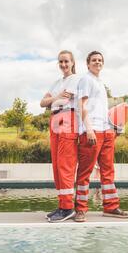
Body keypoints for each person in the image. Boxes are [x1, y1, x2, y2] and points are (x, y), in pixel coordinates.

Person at [74, 51, 128, 222]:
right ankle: (80, 210)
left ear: (102, 64)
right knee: (85, 172)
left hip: (106, 132)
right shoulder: (86, 79)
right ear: (88, 64)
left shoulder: (100, 83)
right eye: (94, 60)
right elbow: (81, 105)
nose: (97, 62)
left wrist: (114, 129)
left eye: (100, 60)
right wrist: (88, 129)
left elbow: (102, 111)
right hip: (92, 132)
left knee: (108, 171)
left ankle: (111, 207)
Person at [40, 50, 80, 222]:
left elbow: (62, 102)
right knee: (56, 164)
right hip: (54, 119)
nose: (63, 65)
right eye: (60, 62)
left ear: (72, 62)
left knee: (65, 163)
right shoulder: (57, 82)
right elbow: (43, 103)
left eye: (66, 61)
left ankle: (68, 207)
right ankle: (61, 204)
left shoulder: (76, 79)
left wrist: (52, 100)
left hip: (67, 118)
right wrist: (55, 97)